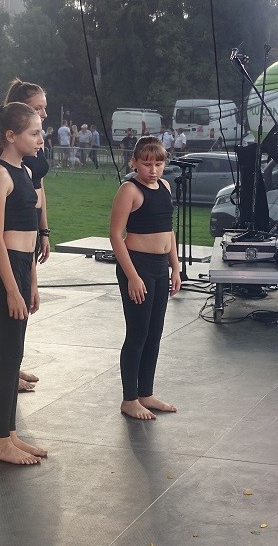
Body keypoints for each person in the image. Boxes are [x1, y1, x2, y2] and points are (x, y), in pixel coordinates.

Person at [0, 101, 48, 465]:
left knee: (14, 354)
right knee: (8, 358)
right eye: (34, 133)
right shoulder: (0, 174)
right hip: (3, 268)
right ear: (11, 135)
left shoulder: (24, 170)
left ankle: (9, 435)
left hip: (22, 266)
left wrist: (32, 282)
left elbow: (31, 232)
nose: (41, 139)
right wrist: (11, 288)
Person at [110, 136, 181, 420]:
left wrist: (175, 267)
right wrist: (132, 276)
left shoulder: (165, 187)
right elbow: (116, 236)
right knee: (138, 333)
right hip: (137, 265)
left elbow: (168, 231)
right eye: (147, 164)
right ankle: (129, 398)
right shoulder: (129, 189)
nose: (153, 170)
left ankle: (145, 393)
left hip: (160, 266)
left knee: (154, 332)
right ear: (134, 163)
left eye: (158, 164)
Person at [3, 78, 53, 392]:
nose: (43, 114)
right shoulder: (12, 154)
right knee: (15, 308)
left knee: (26, 305)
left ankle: (14, 364)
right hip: (18, 229)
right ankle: (11, 369)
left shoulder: (35, 143)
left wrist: (44, 230)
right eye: (38, 108)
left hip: (32, 226)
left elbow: (39, 188)